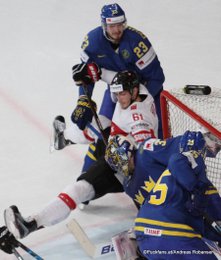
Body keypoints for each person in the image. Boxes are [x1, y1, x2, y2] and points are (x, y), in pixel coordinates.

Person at [3, 70, 158, 241]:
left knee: (80, 189)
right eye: (117, 93)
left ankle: (31, 223)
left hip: (123, 170)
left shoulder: (138, 117)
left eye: (122, 93)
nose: (119, 98)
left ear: (134, 91)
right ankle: (64, 137)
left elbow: (148, 149)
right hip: (117, 143)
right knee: (99, 123)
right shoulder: (138, 90)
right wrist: (92, 72)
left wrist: (132, 168)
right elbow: (107, 76)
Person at [68, 3, 165, 171]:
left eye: (120, 24)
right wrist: (83, 99)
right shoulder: (92, 43)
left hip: (147, 94)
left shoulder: (138, 42)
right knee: (104, 134)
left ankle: (161, 178)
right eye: (112, 25)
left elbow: (157, 78)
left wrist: (138, 101)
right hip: (116, 93)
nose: (117, 30)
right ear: (104, 25)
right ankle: (86, 178)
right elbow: (87, 75)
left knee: (158, 142)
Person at [105, 131, 221, 259]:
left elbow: (176, 147)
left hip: (171, 220)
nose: (120, 166)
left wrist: (203, 142)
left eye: (119, 160)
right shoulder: (129, 187)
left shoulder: (146, 151)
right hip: (177, 218)